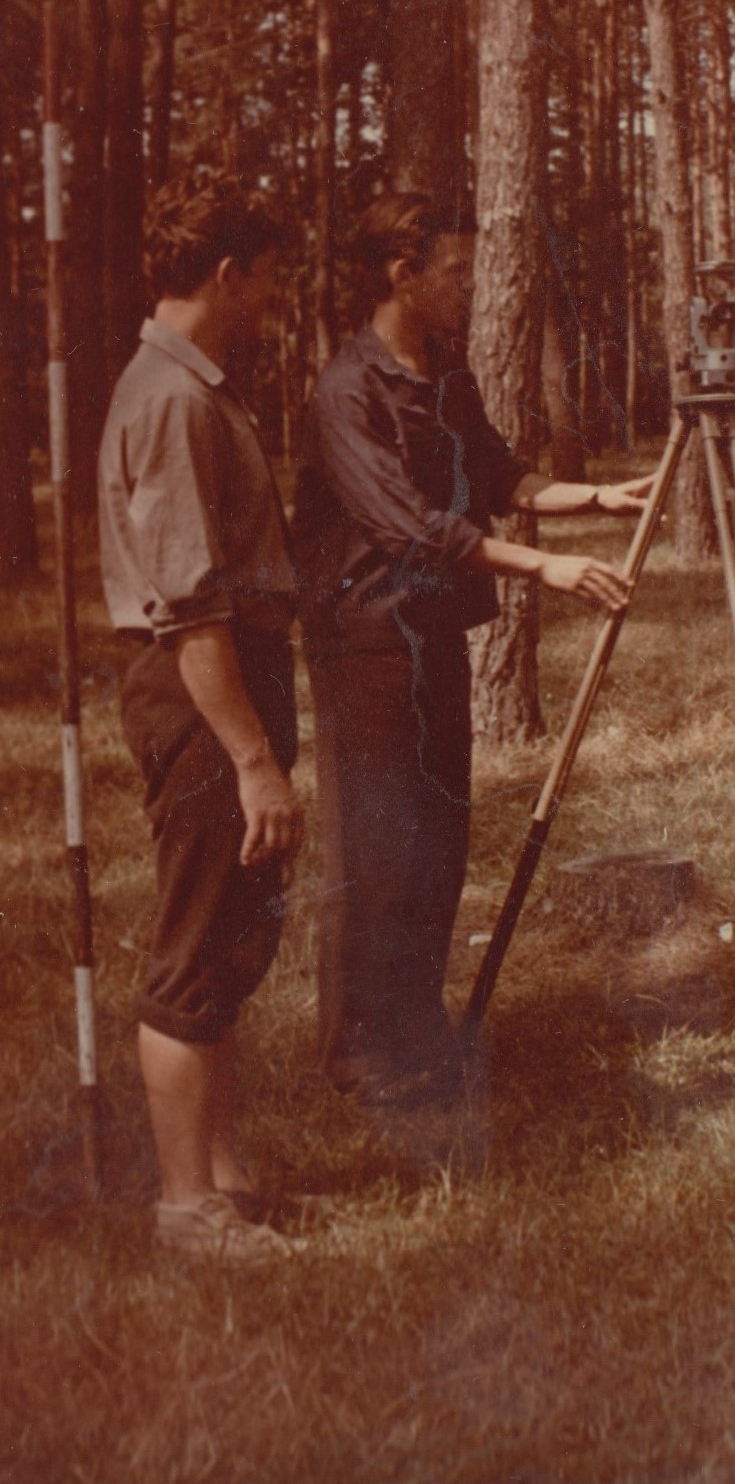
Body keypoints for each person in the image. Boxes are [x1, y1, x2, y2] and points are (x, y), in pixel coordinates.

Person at [293, 192, 651, 1108]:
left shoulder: (447, 372)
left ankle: (417, 1030)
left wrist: (598, 498)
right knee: (375, 852)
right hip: (366, 644)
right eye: (454, 270)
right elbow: (410, 528)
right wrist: (544, 566)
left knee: (437, 846)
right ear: (400, 274)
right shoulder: (347, 389)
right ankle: (358, 1056)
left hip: (435, 636)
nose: (471, 286)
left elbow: (498, 472)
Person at [99, 173, 303, 1263]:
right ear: (226, 276)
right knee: (192, 945)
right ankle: (186, 1207)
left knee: (229, 938)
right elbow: (189, 608)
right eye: (265, 281)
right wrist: (253, 761)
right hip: (202, 688)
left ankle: (223, 1182)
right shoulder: (172, 399)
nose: (270, 301)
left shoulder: (192, 387)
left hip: (231, 678)